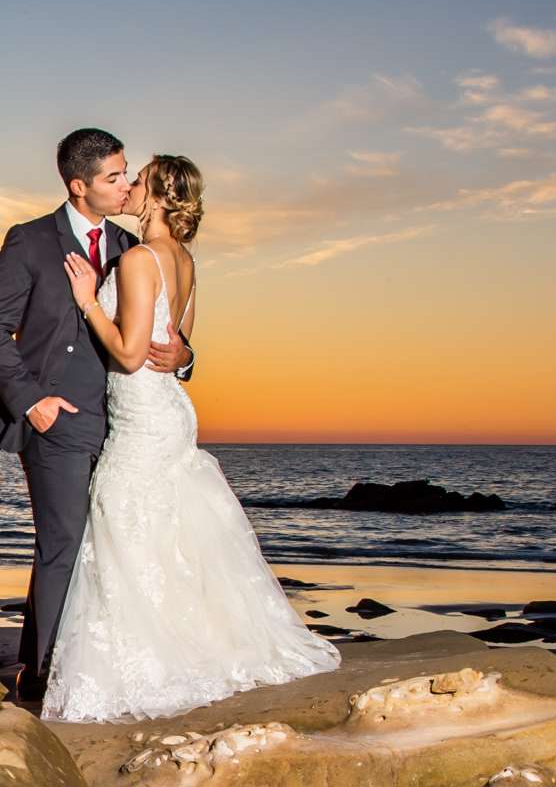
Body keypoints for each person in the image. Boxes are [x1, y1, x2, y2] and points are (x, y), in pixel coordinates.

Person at [39, 153, 341, 723]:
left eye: (138, 179)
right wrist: (184, 355)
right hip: (172, 407)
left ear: (155, 197)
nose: (126, 186)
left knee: (126, 522)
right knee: (168, 529)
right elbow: (178, 346)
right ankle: (197, 643)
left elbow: (130, 355)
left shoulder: (137, 260)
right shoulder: (185, 262)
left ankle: (158, 659)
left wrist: (86, 303)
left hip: (142, 414)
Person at [0, 128, 192, 709]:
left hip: (122, 422)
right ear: (79, 186)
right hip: (56, 419)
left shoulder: (131, 248)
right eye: (114, 177)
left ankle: (52, 660)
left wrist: (185, 356)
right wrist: (32, 401)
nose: (126, 185)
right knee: (63, 541)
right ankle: (43, 678)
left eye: (128, 174)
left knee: (97, 544)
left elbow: (162, 328)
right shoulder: (29, 241)